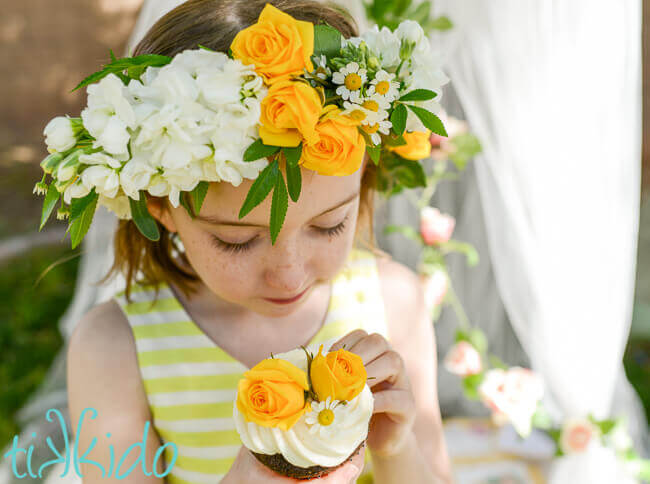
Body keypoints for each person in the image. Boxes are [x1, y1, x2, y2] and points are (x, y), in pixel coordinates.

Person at [56, 1, 452, 482]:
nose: (289, 272)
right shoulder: (115, 347)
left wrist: (398, 450)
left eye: (329, 226)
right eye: (236, 241)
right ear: (160, 204)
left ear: (362, 174)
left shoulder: (394, 303)